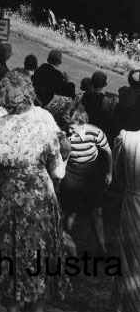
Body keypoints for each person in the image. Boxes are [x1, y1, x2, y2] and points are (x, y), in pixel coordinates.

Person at [0, 71, 68, 312]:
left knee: (9, 255)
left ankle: (11, 305)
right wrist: (66, 153)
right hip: (37, 202)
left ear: (5, 98)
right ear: (29, 94)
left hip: (6, 200)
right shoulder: (44, 127)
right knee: (37, 257)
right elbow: (58, 173)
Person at [60, 106, 112, 255]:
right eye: (69, 127)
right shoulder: (64, 134)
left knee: (97, 212)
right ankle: (66, 246)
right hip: (72, 174)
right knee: (71, 212)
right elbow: (62, 158)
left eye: (73, 127)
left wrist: (109, 173)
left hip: (91, 174)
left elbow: (107, 152)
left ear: (82, 123)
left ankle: (102, 247)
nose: (70, 130)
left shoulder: (95, 132)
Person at [112, 129, 140, 312]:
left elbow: (119, 175)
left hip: (131, 202)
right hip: (132, 203)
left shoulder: (127, 138)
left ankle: (127, 304)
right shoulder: (126, 138)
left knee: (129, 257)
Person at [81, 71, 118, 145]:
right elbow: (108, 116)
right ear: (105, 84)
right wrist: (113, 106)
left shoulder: (84, 95)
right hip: (97, 127)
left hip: (85, 123)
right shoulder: (104, 99)